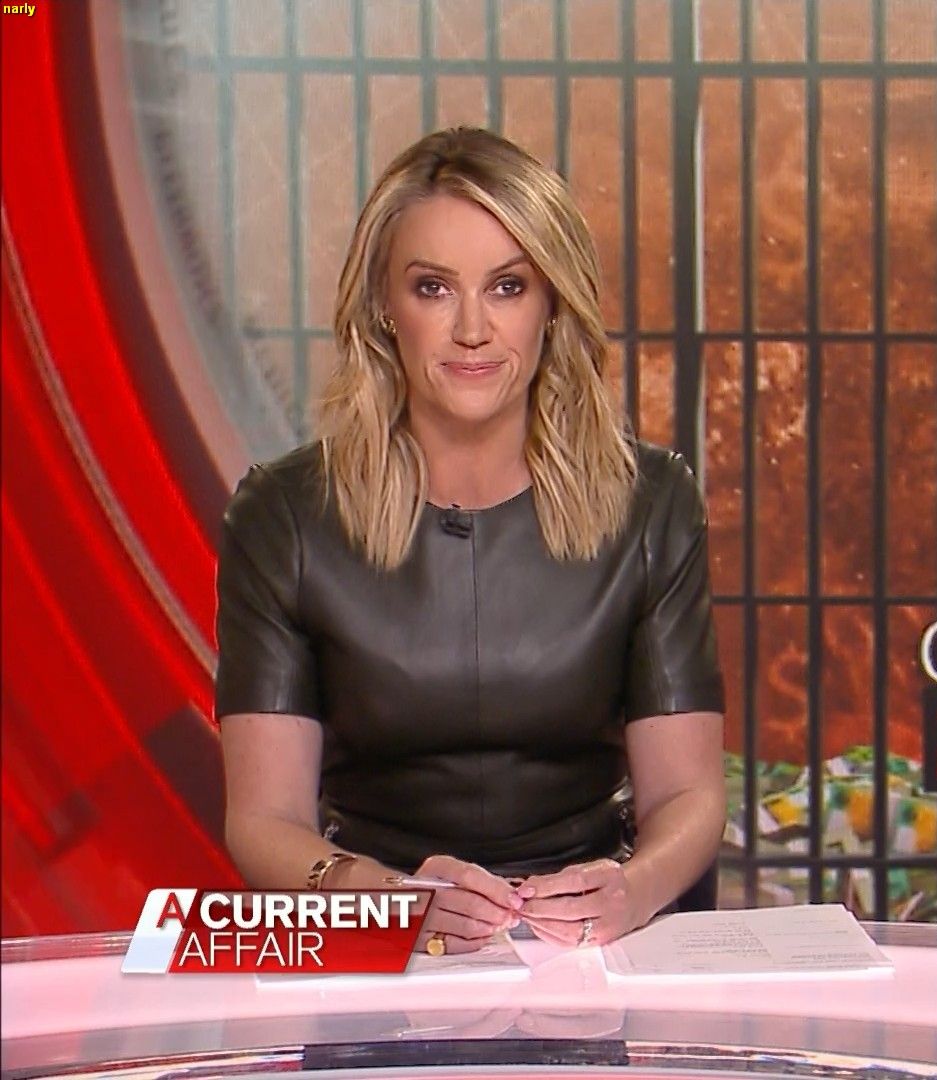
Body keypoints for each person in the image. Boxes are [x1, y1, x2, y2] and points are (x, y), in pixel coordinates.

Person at [216, 127, 726, 956]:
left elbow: (689, 796)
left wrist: (632, 889)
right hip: (378, 936)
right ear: (384, 306)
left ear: (552, 301)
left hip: (588, 941)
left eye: (507, 286)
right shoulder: (283, 517)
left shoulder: (653, 504)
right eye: (433, 288)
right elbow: (263, 819)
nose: (473, 329)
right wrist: (380, 901)